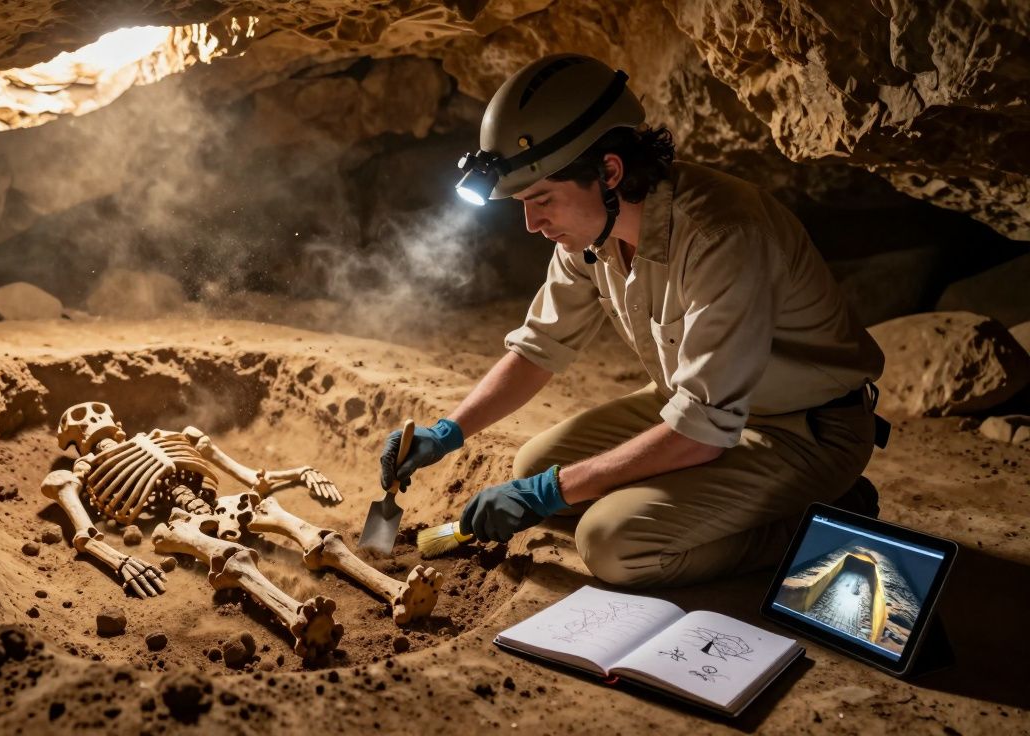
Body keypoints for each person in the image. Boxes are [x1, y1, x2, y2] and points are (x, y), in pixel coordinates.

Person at [380, 54, 888, 588]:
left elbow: (702, 429)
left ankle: (824, 517)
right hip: (696, 408)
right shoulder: (589, 234)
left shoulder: (722, 237)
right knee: (532, 467)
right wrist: (447, 432)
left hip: (801, 430)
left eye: (541, 200)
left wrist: (556, 491)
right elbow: (538, 347)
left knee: (612, 543)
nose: (531, 223)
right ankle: (703, 503)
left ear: (609, 172)